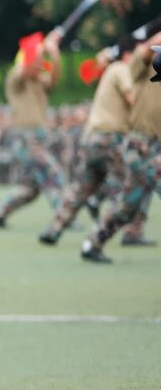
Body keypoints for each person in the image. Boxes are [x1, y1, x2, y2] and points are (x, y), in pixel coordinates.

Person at [39, 40, 135, 245]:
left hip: (91, 138)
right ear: (128, 55)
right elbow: (132, 98)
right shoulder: (121, 69)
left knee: (82, 189)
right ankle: (105, 233)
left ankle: (53, 229)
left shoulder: (111, 71)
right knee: (127, 186)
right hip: (109, 137)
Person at [81, 27, 161, 263]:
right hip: (140, 143)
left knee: (128, 205)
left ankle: (92, 243)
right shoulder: (141, 66)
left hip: (154, 145)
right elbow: (145, 51)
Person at [0, 32, 66, 227]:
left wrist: (54, 52)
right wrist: (39, 50)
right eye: (37, 61)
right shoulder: (16, 79)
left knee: (31, 188)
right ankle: (64, 215)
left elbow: (55, 77)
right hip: (25, 138)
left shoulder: (39, 81)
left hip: (38, 138)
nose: (41, 64)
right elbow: (25, 68)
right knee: (52, 172)